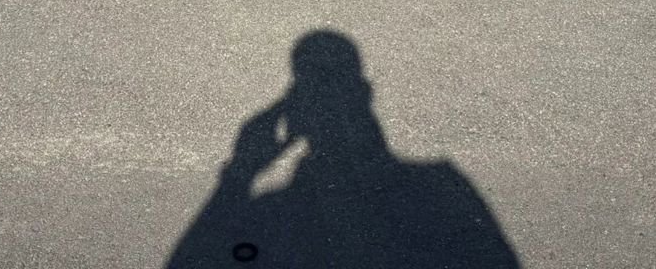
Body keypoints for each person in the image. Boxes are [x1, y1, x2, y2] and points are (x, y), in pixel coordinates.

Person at [167, 31, 520, 268]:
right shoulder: (442, 187)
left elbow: (189, 260)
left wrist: (239, 175)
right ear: (365, 93)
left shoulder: (270, 211)